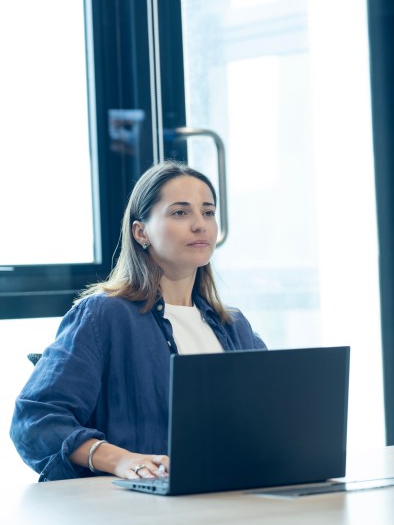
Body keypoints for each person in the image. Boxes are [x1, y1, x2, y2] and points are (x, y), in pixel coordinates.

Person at [11, 161, 266, 482]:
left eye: (208, 212)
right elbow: (35, 421)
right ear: (140, 231)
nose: (200, 225)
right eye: (180, 213)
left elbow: (266, 418)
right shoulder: (103, 315)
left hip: (229, 492)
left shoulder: (234, 326)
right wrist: (121, 460)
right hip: (138, 509)